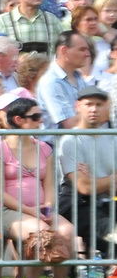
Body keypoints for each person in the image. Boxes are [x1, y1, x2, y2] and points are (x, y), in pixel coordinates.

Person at [0, 94, 76, 278]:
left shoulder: (44, 148)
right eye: (35, 117)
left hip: (42, 210)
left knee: (67, 232)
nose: (40, 120)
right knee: (40, 232)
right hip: (7, 210)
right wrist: (31, 211)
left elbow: (50, 185)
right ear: (19, 120)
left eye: (40, 116)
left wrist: (48, 207)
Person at [56, 86, 115, 264]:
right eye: (88, 104)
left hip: (109, 201)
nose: (94, 109)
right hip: (77, 203)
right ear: (78, 106)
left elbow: (91, 184)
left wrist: (96, 181)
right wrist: (113, 179)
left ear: (106, 108)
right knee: (110, 233)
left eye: (99, 104)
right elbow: (84, 187)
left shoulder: (113, 138)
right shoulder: (70, 140)